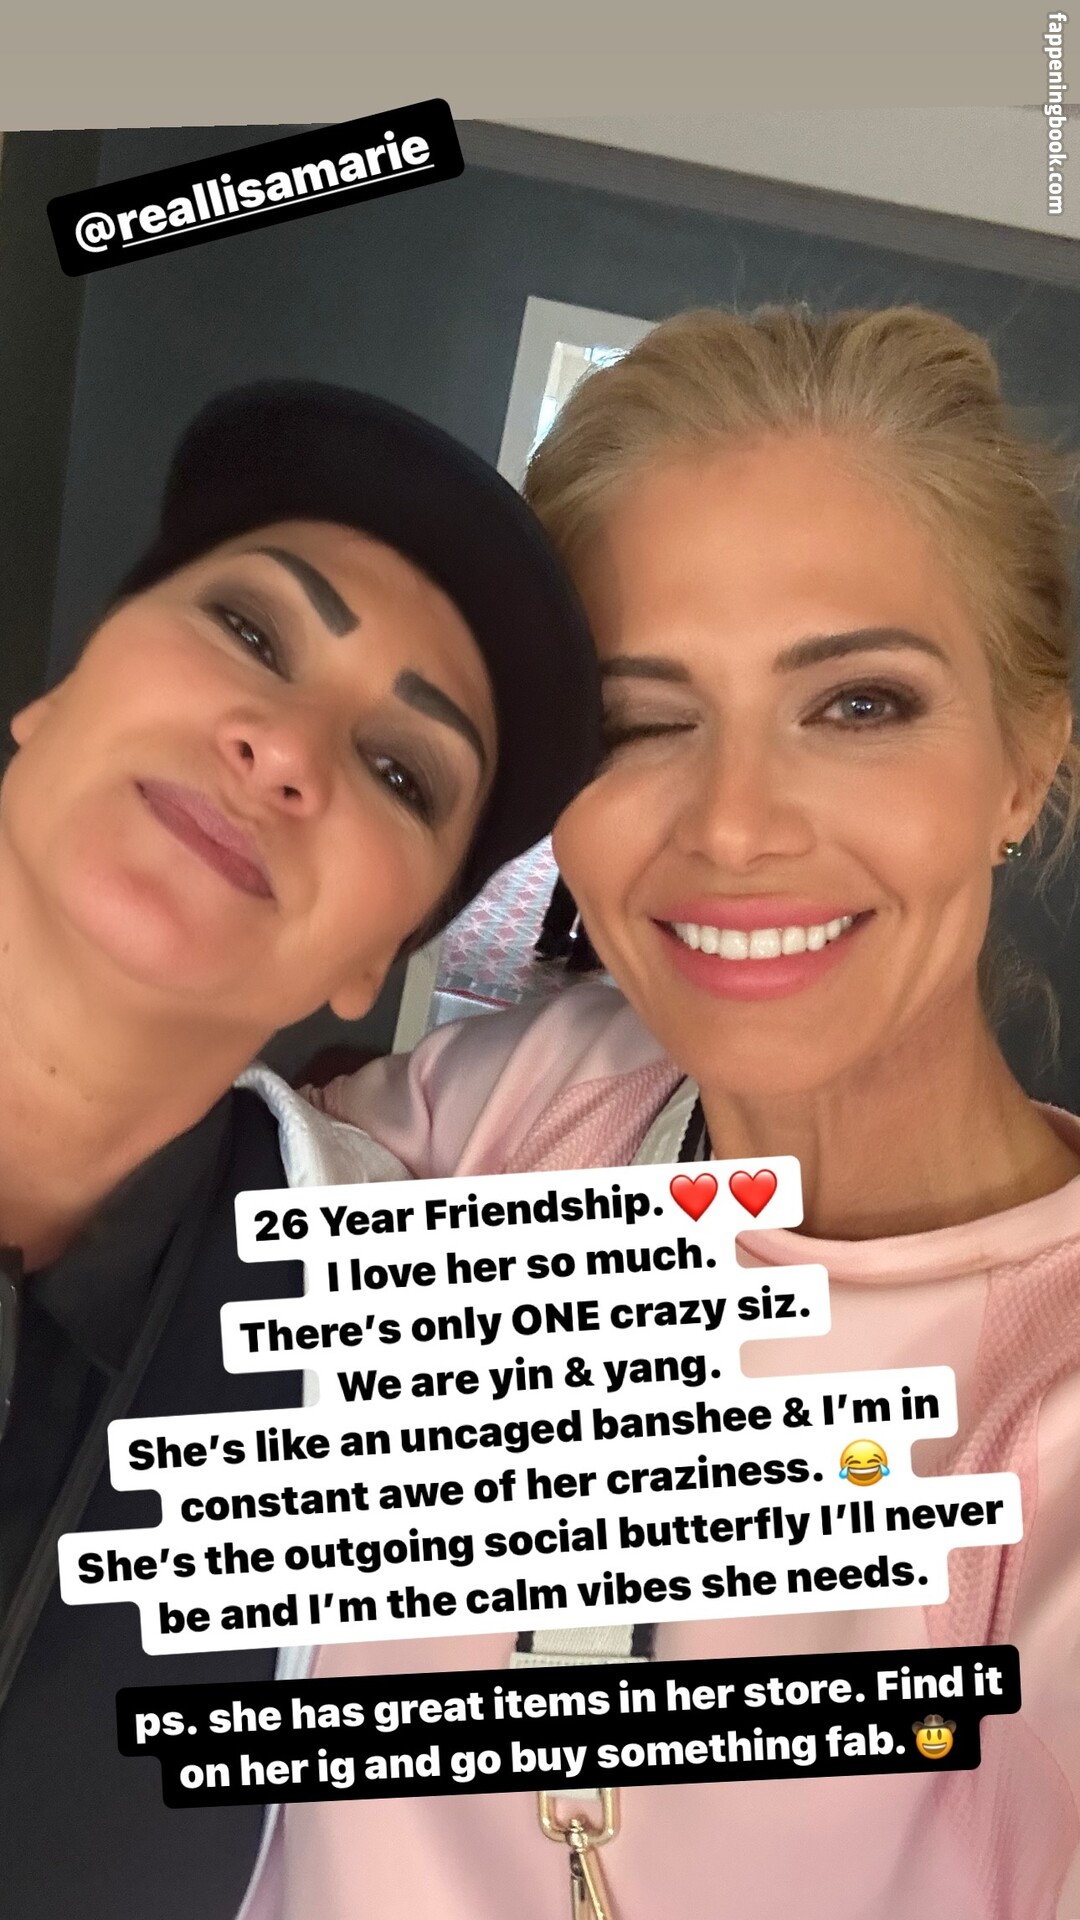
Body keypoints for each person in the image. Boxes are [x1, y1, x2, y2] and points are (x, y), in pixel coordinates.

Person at [286, 307, 1080, 1920]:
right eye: (641, 721)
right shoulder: (519, 1106)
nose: (732, 825)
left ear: (1025, 761)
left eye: (858, 704)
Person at [0, 377, 600, 1920]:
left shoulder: (389, 1357)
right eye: (252, 632)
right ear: (55, 697)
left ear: (373, 958)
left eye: (403, 773)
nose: (284, 752)